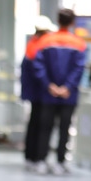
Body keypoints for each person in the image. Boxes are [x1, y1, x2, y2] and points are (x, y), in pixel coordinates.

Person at [31, 8, 87, 175]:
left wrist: (50, 86)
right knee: (64, 128)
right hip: (68, 95)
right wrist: (67, 87)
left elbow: (38, 65)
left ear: (58, 20)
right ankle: (60, 162)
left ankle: (41, 160)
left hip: (48, 93)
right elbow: (79, 68)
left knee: (45, 128)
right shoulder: (78, 43)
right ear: (72, 22)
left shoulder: (45, 41)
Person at [21, 15, 57, 172]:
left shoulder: (32, 43)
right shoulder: (38, 45)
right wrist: (50, 86)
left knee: (34, 123)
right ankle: (35, 157)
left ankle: (30, 156)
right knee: (39, 124)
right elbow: (39, 71)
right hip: (39, 92)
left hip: (34, 91)